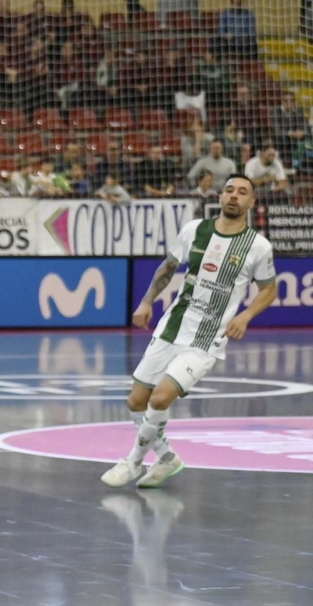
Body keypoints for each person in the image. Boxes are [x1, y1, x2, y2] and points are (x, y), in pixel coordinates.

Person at [103, 175, 276, 490]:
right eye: (229, 190)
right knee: (136, 401)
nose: (234, 196)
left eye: (242, 192)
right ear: (220, 197)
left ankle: (133, 462)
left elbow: (269, 289)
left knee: (160, 398)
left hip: (207, 339)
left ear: (252, 202)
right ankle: (167, 458)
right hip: (172, 326)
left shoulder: (258, 246)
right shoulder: (194, 230)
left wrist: (246, 315)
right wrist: (146, 302)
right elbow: (167, 268)